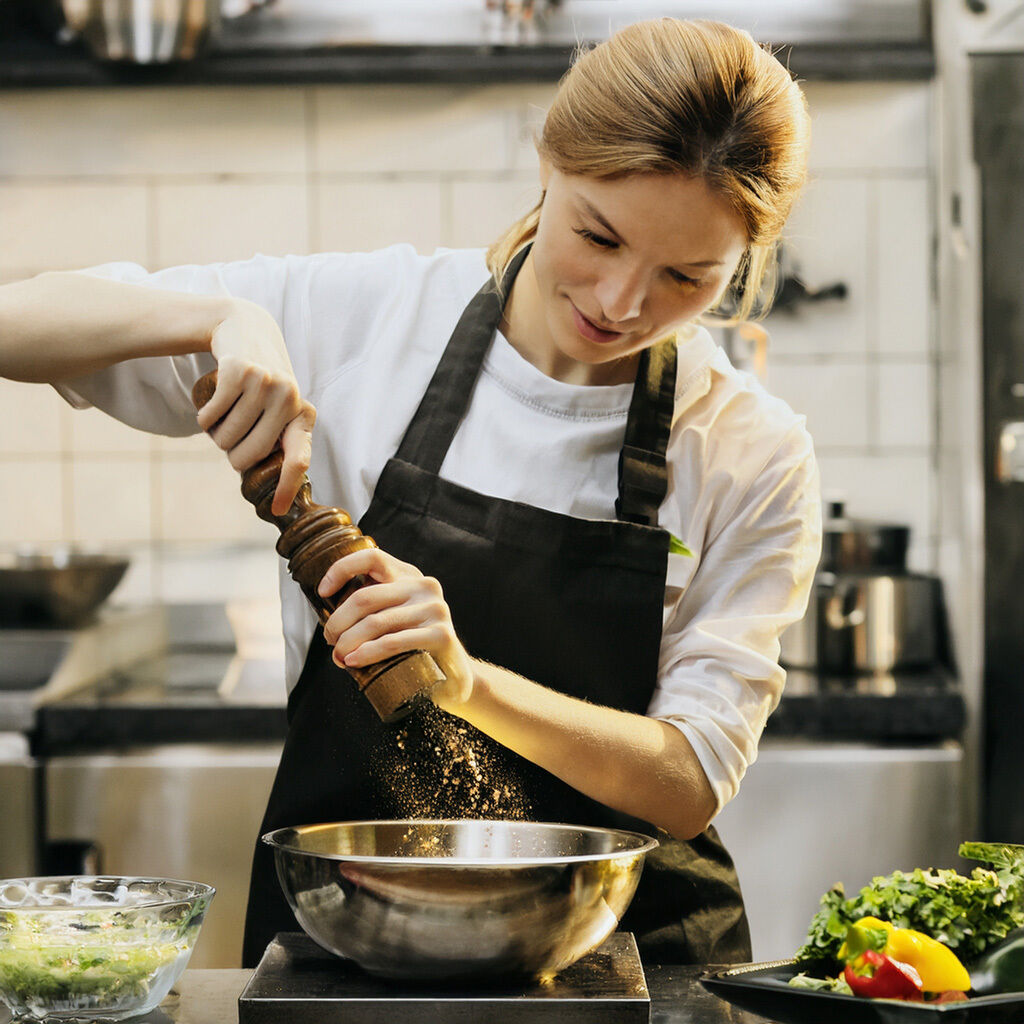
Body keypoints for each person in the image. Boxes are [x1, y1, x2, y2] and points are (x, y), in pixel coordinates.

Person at [0, 18, 820, 966]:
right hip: (357, 939)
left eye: (688, 276)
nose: (621, 302)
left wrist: (468, 685)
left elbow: (690, 778)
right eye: (598, 234)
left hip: (631, 953)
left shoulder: (747, 448)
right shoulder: (367, 319)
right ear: (550, 163)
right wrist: (223, 316)